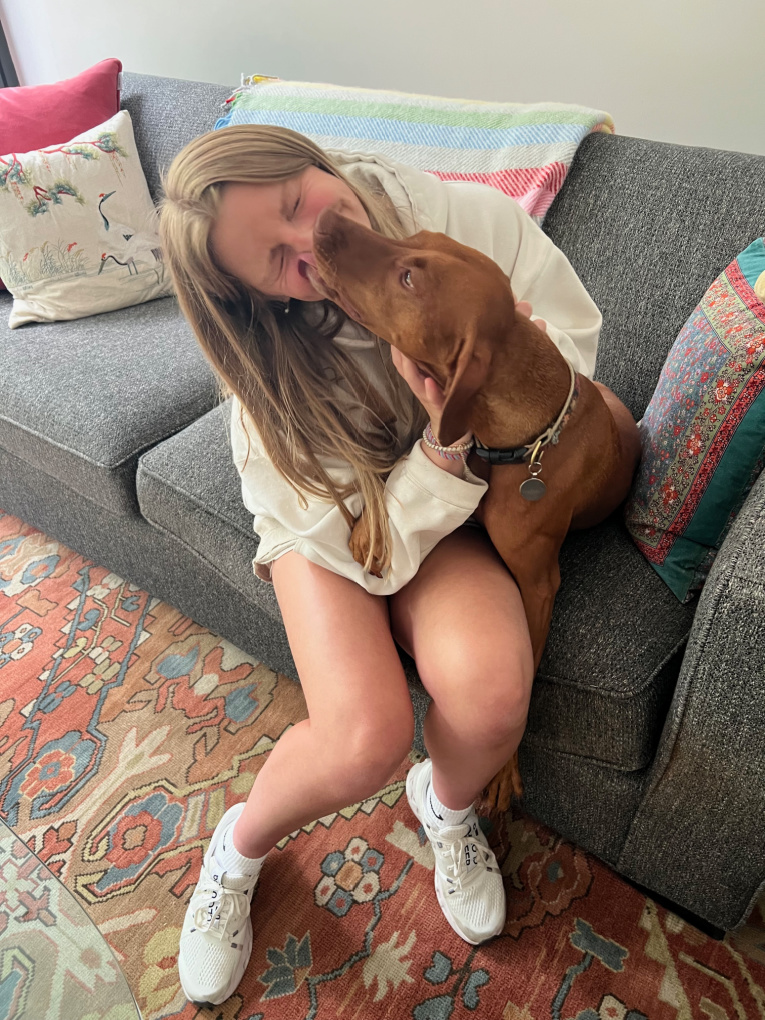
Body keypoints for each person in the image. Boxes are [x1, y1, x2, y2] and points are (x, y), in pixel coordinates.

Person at [159, 123, 614, 1006]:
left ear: (314, 159)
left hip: (447, 494)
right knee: (361, 736)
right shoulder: (266, 392)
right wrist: (441, 457)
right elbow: (355, 542)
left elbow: (570, 347)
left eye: (298, 201)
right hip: (331, 525)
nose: (313, 242)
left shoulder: (453, 223)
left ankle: (444, 805)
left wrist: (504, 404)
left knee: (492, 694)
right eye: (278, 261)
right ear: (253, 298)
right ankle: (237, 851)